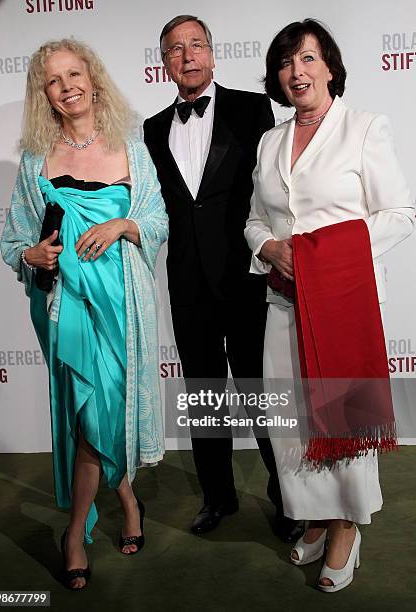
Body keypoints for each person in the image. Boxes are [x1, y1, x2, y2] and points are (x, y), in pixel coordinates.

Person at [245, 18, 414, 592]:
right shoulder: (269, 141)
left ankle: (347, 526)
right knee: (292, 423)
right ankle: (315, 517)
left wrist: (321, 256)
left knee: (344, 419)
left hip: (345, 305)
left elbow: (399, 214)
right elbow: (255, 219)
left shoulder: (364, 128)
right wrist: (266, 245)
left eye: (309, 59)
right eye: (287, 63)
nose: (298, 72)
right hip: (283, 305)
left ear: (331, 67)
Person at [1, 39, 168, 590]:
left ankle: (123, 496)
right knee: (85, 417)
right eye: (54, 79)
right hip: (63, 309)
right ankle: (79, 529)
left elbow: (157, 220)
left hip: (122, 306)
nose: (67, 85)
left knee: (109, 414)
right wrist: (32, 254)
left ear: (93, 80)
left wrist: (121, 226)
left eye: (75, 73)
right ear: (43, 94)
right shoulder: (34, 160)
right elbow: (15, 238)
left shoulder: (131, 148)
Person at [144, 14, 302, 541]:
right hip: (187, 284)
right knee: (205, 394)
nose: (186, 56)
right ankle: (218, 497)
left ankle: (288, 497)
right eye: (174, 49)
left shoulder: (252, 108)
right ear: (163, 63)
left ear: (212, 52)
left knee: (262, 393)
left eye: (195, 45)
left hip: (246, 277)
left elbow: (278, 183)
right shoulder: (150, 130)